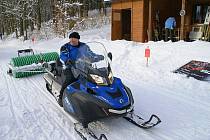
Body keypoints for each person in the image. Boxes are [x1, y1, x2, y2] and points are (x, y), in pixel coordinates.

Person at [58, 32, 104, 106]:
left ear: (78, 39)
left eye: (74, 38)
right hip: (70, 67)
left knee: (94, 79)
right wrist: (67, 60)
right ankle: (61, 97)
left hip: (83, 67)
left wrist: (100, 57)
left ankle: (97, 96)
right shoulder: (65, 47)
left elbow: (90, 54)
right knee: (69, 79)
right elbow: (62, 55)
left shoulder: (84, 46)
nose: (72, 40)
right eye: (71, 38)